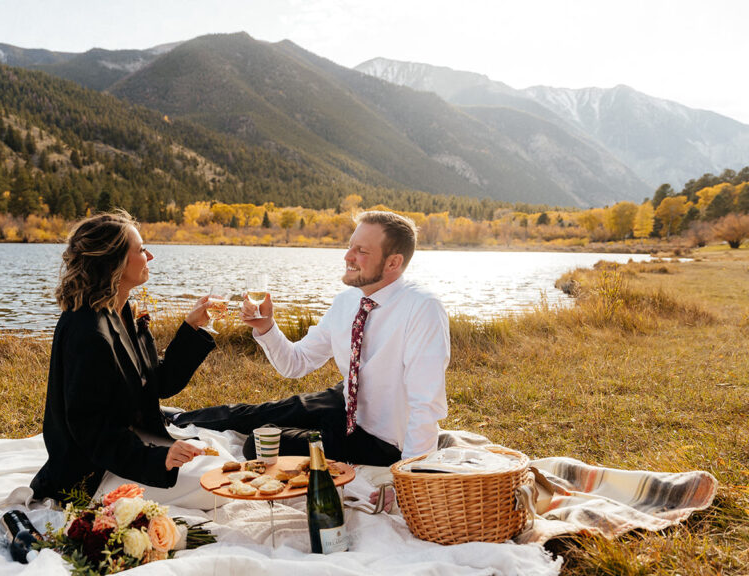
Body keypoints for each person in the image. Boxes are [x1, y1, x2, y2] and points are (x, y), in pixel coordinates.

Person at [173, 210, 450, 466]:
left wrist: (410, 476)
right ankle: (174, 419)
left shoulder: (422, 308)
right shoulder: (347, 301)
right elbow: (297, 362)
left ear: (393, 262)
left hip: (380, 438)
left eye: (361, 250)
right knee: (264, 412)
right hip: (344, 402)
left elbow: (425, 404)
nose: (347, 256)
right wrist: (267, 327)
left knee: (259, 444)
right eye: (350, 246)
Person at [30, 210, 216, 503]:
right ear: (114, 262)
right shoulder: (88, 332)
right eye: (141, 250)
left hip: (133, 444)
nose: (150, 256)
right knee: (217, 484)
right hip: (96, 471)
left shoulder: (121, 310)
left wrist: (191, 327)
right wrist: (160, 459)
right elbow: (90, 430)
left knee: (220, 460)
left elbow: (158, 384)